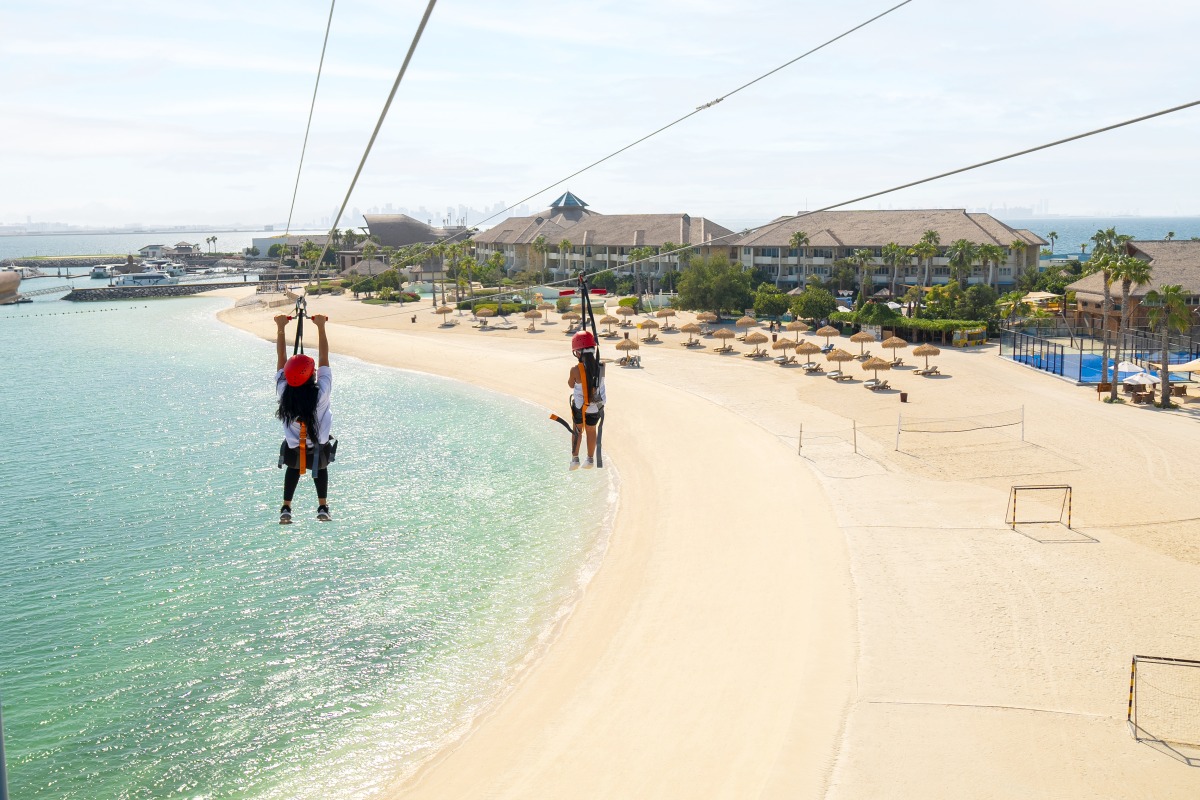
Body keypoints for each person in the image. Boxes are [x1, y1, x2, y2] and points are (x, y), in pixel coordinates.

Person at [275, 313, 334, 523]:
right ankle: (322, 505)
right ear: (312, 375)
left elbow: (281, 360)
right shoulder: (321, 393)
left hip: (293, 451)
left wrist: (281, 328)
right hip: (319, 448)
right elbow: (324, 358)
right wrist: (321, 327)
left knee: (292, 468)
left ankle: (286, 507)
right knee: (321, 468)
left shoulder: (284, 392)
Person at [567, 330, 606, 470]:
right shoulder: (601, 366)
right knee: (591, 429)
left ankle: (575, 459)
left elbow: (571, 385)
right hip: (597, 406)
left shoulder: (575, 370)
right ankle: (590, 459)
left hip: (581, 406)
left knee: (577, 430)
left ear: (578, 353)